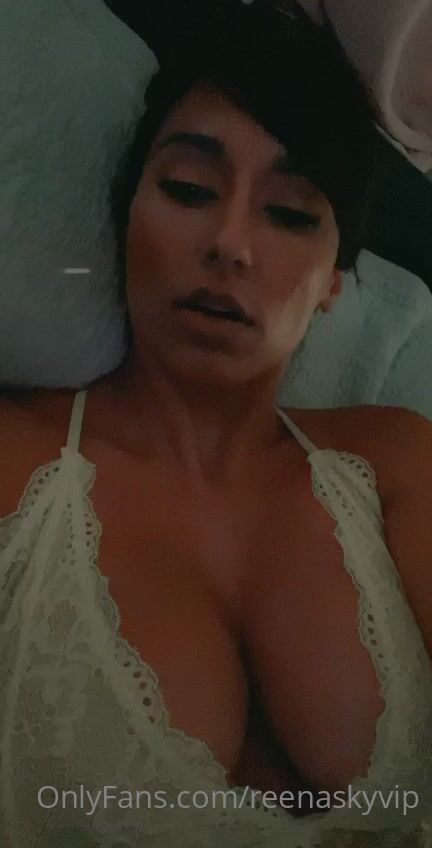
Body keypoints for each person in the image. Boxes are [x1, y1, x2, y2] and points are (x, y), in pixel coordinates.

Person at [0, 1, 431, 845]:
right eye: (190, 190)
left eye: (291, 213)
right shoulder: (15, 464)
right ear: (126, 217)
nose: (231, 243)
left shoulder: (398, 462)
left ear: (333, 283)